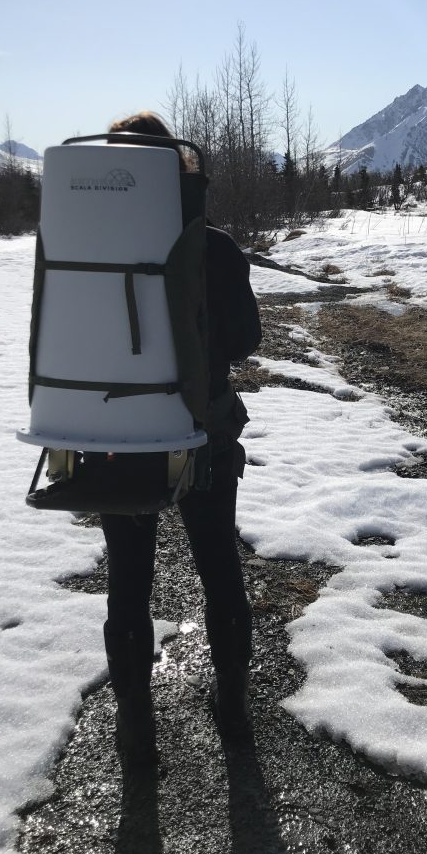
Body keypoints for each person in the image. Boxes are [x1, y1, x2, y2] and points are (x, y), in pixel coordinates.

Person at [99, 112, 261, 761]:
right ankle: (233, 707)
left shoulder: (88, 255)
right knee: (219, 568)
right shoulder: (214, 247)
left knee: (129, 581)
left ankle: (137, 723)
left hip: (118, 443)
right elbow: (247, 341)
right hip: (202, 437)